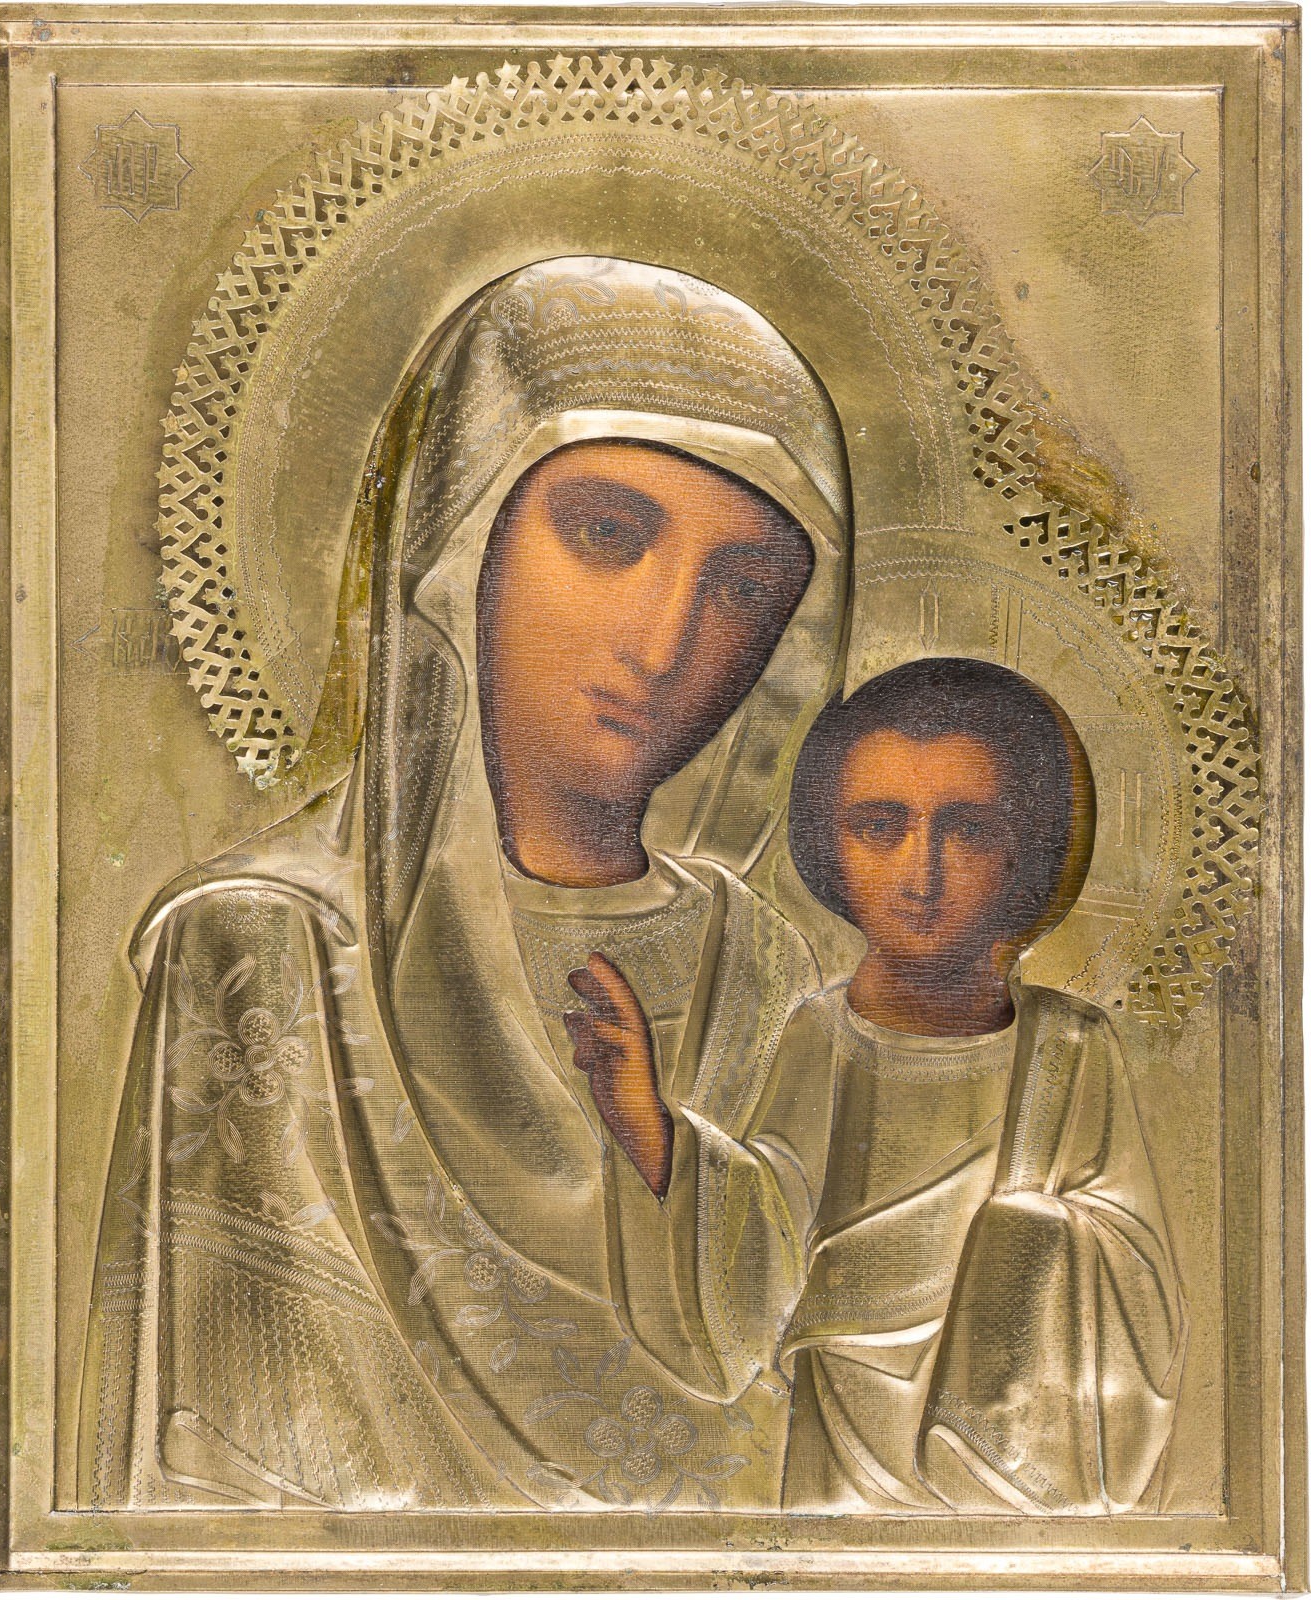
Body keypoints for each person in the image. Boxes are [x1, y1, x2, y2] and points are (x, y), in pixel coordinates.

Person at [78, 258, 851, 1512]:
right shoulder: (269, 940)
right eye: (608, 535)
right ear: (461, 542)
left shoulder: (767, 966)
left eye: (743, 587)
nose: (667, 641)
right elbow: (214, 1437)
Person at [775, 657, 1186, 1514]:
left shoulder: (1070, 1049)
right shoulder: (814, 1037)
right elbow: (752, 1240)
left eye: (966, 831)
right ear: (827, 844)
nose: (920, 873)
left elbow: (1140, 1282)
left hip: (1018, 1452)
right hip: (836, 1439)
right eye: (880, 825)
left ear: (1025, 848)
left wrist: (1027, 1242)